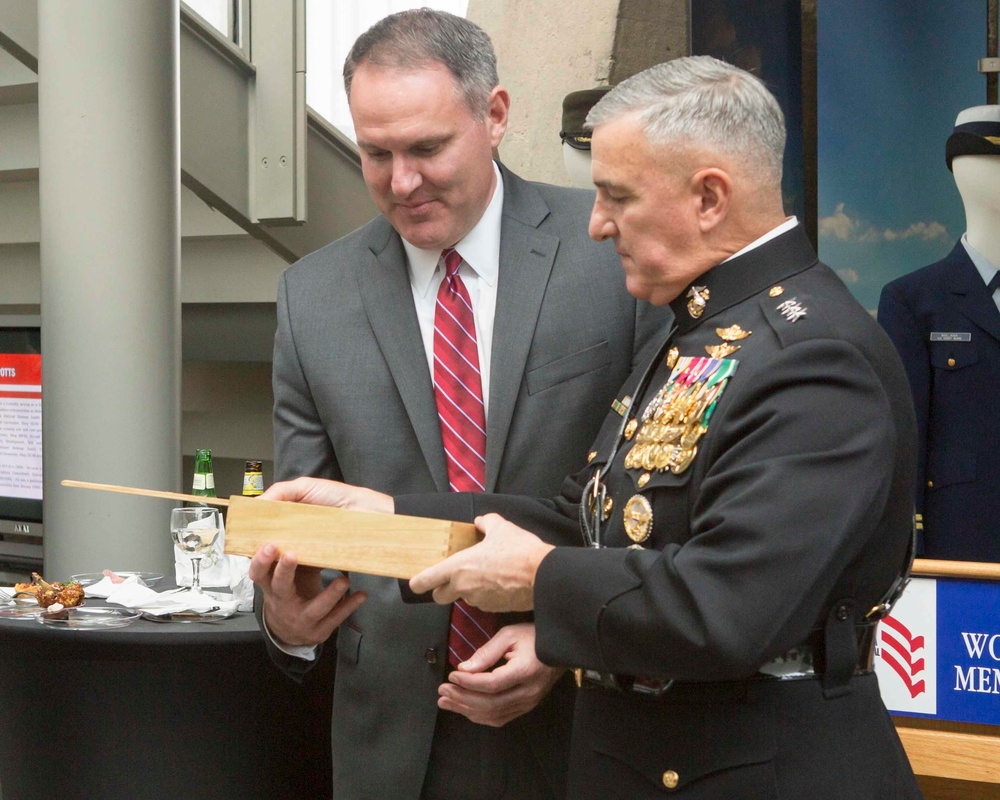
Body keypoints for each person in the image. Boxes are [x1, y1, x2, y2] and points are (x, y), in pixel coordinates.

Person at [259, 56, 923, 798]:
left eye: (616, 196)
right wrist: (391, 515)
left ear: (709, 197)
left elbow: (727, 608)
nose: (597, 224)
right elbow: (587, 519)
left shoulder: (812, 356)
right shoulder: (705, 332)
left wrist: (537, 580)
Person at [251, 9, 666, 800]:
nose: (401, 182)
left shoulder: (609, 258)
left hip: (585, 717)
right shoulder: (311, 297)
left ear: (496, 115)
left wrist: (561, 635)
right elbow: (309, 516)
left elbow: (654, 508)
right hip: (395, 740)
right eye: (376, 154)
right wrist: (284, 620)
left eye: (427, 148)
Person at [878, 105, 1000, 561]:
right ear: (966, 176)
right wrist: (911, 551)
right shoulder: (914, 301)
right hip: (961, 550)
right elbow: (903, 446)